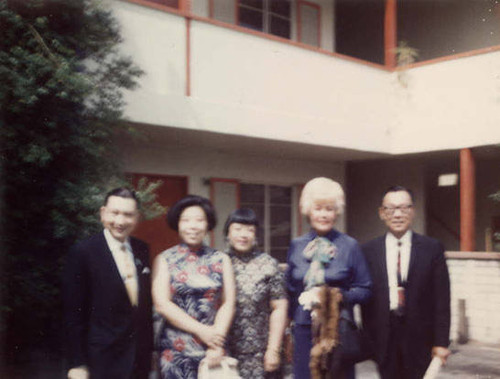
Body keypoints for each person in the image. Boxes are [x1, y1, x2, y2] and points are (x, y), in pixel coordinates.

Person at [286, 177, 372, 379]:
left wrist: (337, 295)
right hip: (304, 329)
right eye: (318, 208)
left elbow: (365, 289)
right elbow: (290, 290)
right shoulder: (297, 245)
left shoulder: (349, 245)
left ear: (337, 212)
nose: (323, 214)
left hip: (337, 332)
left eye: (329, 208)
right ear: (308, 210)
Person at [361, 186, 451, 379]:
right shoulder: (368, 250)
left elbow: (442, 299)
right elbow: (365, 298)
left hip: (421, 338)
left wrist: (442, 342)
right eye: (391, 209)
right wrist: (370, 339)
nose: (398, 215)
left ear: (413, 211)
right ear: (381, 213)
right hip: (384, 338)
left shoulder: (432, 248)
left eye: (404, 208)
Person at [63, 187, 153, 379]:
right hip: (101, 361)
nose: (120, 221)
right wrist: (77, 363)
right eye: (115, 213)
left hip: (138, 361)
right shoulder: (83, 252)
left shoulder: (142, 249)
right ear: (103, 213)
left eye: (128, 215)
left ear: (137, 217)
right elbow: (73, 313)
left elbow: (142, 309)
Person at [152, 195, 236, 379]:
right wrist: (201, 331)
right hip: (175, 351)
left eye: (199, 220)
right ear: (178, 224)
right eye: (186, 220)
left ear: (208, 224)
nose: (193, 226)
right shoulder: (164, 259)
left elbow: (228, 302)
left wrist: (216, 343)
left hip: (213, 348)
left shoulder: (222, 259)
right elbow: (162, 304)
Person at [224, 208, 288, 379]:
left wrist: (273, 350)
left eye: (249, 230)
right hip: (226, 352)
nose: (243, 234)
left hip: (261, 353)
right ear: (227, 233)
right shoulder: (219, 263)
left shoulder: (268, 264)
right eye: (238, 229)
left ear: (256, 235)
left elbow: (279, 308)